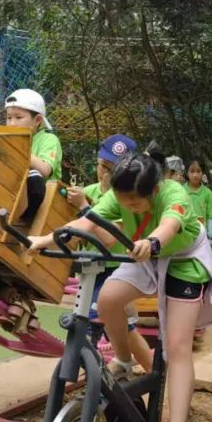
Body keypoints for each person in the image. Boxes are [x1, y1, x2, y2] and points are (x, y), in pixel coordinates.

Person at [29, 148, 212, 422]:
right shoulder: (119, 194)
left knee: (177, 347)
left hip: (182, 259)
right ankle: (123, 359)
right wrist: (46, 239)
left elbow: (170, 224)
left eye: (135, 203)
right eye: (124, 201)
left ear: (154, 190)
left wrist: (153, 242)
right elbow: (87, 221)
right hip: (143, 254)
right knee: (108, 299)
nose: (128, 206)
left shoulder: (174, 194)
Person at [65, 134, 153, 371]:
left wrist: (84, 207)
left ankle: (151, 374)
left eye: (110, 169)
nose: (103, 173)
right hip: (89, 270)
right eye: (101, 165)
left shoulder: (124, 197)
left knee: (115, 326)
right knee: (108, 327)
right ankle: (108, 373)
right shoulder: (90, 190)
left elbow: (110, 239)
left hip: (114, 271)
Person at [5, 88, 62, 224]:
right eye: (9, 118)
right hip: (17, 195)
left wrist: (17, 149)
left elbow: (45, 170)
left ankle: (25, 219)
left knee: (34, 176)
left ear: (37, 120)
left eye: (19, 117)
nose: (12, 123)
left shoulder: (49, 139)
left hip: (45, 200)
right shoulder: (9, 139)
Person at [186, 160, 212, 240]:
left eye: (198, 171)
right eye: (192, 171)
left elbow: (210, 216)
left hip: (202, 237)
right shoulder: (181, 191)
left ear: (202, 173)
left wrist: (210, 236)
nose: (195, 175)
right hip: (185, 236)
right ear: (187, 173)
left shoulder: (208, 193)